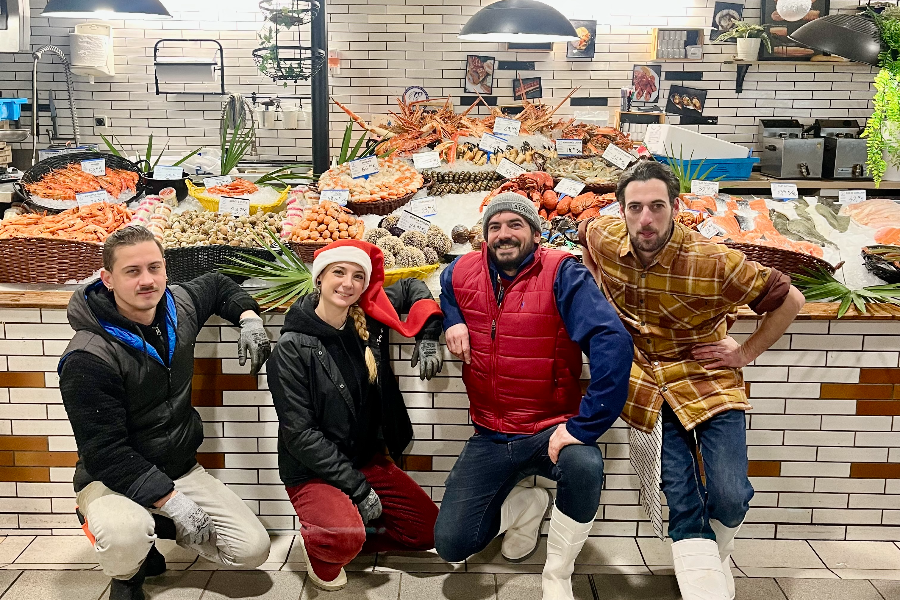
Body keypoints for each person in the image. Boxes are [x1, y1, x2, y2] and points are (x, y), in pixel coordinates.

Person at [579, 160, 805, 600]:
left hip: (705, 375)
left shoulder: (713, 260)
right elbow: (587, 236)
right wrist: (601, 294)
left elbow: (791, 299)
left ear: (676, 206)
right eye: (636, 207)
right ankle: (703, 583)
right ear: (621, 210)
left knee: (731, 493)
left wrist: (745, 352)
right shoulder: (604, 235)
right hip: (644, 379)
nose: (646, 219)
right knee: (679, 492)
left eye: (657, 206)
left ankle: (716, 553)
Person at [434, 193, 633, 600]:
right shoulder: (461, 271)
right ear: (484, 235)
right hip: (490, 433)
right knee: (452, 545)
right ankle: (528, 506)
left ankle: (558, 573)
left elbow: (611, 339)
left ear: (536, 234)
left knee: (584, 465)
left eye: (515, 225)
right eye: (495, 227)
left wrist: (585, 425)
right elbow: (446, 291)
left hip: (551, 429)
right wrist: (452, 321)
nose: (504, 234)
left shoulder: (564, 273)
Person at [58, 225, 273, 600]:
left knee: (251, 549)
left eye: (154, 268)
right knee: (124, 534)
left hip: (178, 467)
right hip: (110, 478)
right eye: (132, 271)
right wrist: (172, 502)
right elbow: (104, 452)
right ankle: (127, 571)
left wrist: (250, 319)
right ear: (107, 279)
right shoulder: (87, 356)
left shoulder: (179, 306)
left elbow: (219, 284)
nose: (147, 280)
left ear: (166, 270)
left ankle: (151, 530)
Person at [267, 239, 445, 591]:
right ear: (319, 279)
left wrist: (429, 335)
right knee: (344, 536)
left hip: (364, 458)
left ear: (365, 285)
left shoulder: (365, 319)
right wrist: (358, 490)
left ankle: (350, 537)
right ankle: (327, 546)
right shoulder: (291, 348)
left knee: (428, 530)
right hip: (312, 469)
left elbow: (412, 287)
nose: (347, 283)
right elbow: (300, 435)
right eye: (338, 272)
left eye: (357, 276)